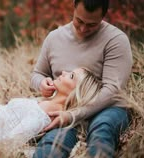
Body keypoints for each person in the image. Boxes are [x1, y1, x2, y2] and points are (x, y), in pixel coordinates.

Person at [30, 0, 133, 158]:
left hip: (107, 108)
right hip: (65, 107)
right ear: (74, 8)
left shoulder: (116, 40)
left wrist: (74, 115)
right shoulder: (54, 38)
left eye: (92, 24)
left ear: (103, 16)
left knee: (102, 131)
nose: (84, 29)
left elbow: (113, 90)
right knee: (53, 142)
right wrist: (41, 84)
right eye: (79, 21)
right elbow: (37, 74)